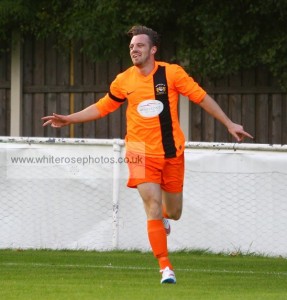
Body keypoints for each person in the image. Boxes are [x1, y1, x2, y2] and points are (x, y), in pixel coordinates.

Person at [42, 25, 253, 284]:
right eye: (131, 46)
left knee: (173, 212)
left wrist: (229, 123)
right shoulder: (124, 80)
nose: (134, 49)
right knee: (152, 204)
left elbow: (201, 97)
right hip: (139, 151)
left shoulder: (172, 73)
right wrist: (69, 119)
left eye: (139, 45)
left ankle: (165, 220)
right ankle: (165, 266)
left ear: (153, 49)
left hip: (171, 151)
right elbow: (103, 106)